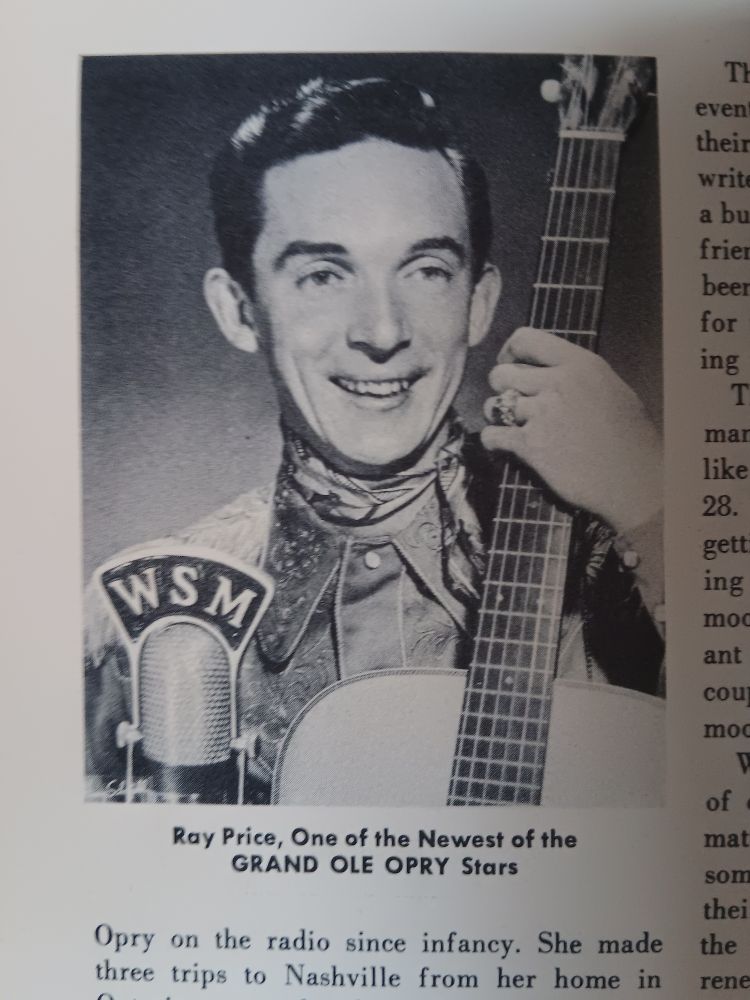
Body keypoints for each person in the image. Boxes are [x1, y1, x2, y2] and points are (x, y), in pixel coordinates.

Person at [84, 76, 664, 804]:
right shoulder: (151, 624)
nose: (383, 333)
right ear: (239, 311)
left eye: (425, 271)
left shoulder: (630, 563)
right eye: (324, 275)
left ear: (477, 303)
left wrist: (655, 506)